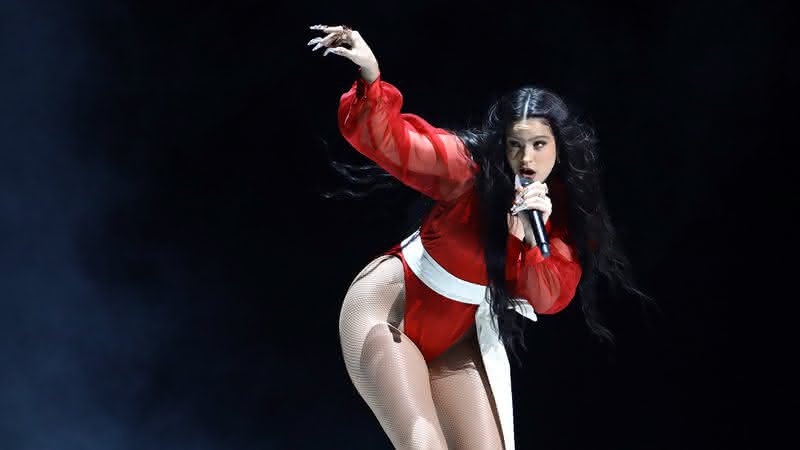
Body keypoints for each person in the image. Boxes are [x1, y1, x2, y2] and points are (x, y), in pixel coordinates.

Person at [308, 24, 651, 450]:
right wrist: (371, 76)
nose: (527, 159)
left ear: (559, 148)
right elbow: (390, 141)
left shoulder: (555, 220)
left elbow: (549, 299)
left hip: (456, 337)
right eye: (515, 145)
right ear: (501, 146)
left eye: (540, 144)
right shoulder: (466, 171)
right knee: (422, 442)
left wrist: (530, 240)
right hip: (387, 309)